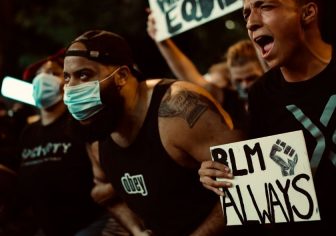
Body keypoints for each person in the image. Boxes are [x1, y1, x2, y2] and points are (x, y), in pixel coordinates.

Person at [62, 29, 243, 236]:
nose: (71, 88)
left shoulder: (178, 109)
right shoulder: (94, 124)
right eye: (67, 78)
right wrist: (137, 231)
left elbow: (248, 180)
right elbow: (104, 193)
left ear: (121, 76)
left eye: (84, 75)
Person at [199, 0, 335, 234]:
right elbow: (266, 185)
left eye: (265, 7)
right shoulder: (261, 95)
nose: (251, 22)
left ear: (308, 13)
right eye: (246, 14)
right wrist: (219, 174)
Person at [13, 49, 129, 236]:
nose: (44, 79)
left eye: (54, 73)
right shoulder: (29, 134)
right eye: (39, 74)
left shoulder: (82, 124)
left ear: (67, 83)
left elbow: (115, 177)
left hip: (94, 225)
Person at [147, 12, 264, 128]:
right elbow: (190, 76)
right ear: (231, 78)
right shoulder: (230, 101)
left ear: (265, 70)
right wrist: (161, 40)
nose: (244, 85)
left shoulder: (280, 90)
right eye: (238, 81)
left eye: (251, 78)